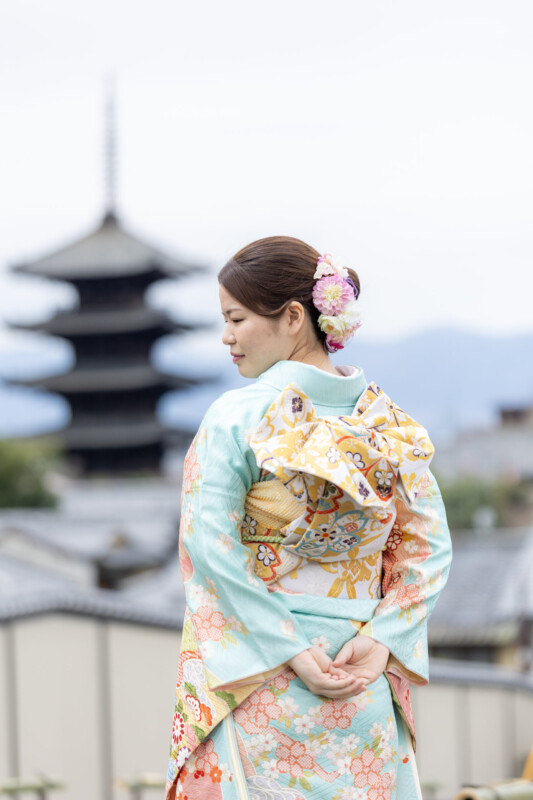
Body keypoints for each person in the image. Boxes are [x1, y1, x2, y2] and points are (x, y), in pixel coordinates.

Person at [165, 236, 452, 800]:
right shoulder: (386, 422)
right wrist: (384, 640)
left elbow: (208, 547)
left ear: (294, 317)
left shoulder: (236, 416)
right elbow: (428, 546)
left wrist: (291, 649)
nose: (227, 337)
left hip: (261, 675)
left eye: (236, 319)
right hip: (360, 676)